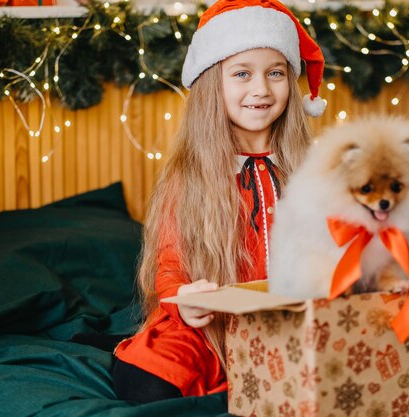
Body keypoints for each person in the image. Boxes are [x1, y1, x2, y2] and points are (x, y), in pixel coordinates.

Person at [112, 0, 326, 403]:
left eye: (276, 73)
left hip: (293, 319)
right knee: (148, 376)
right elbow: (171, 265)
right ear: (214, 84)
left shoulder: (314, 170)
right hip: (213, 326)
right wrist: (184, 301)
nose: (261, 89)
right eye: (242, 74)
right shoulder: (189, 175)